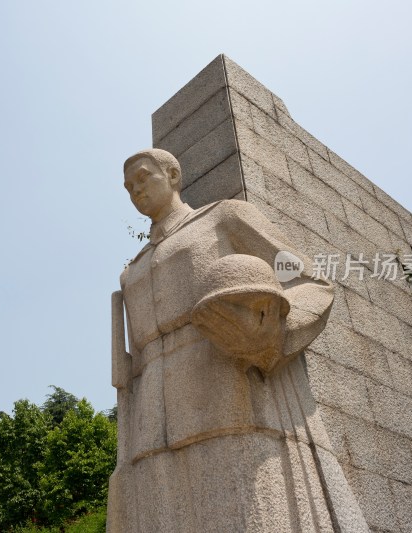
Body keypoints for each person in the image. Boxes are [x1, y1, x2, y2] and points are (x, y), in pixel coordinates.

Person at [107, 149, 368, 532]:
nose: (136, 190)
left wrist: (271, 333)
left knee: (248, 511)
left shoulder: (224, 217)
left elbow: (311, 284)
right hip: (152, 413)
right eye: (129, 187)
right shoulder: (134, 267)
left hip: (226, 381)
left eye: (144, 177)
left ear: (174, 174)